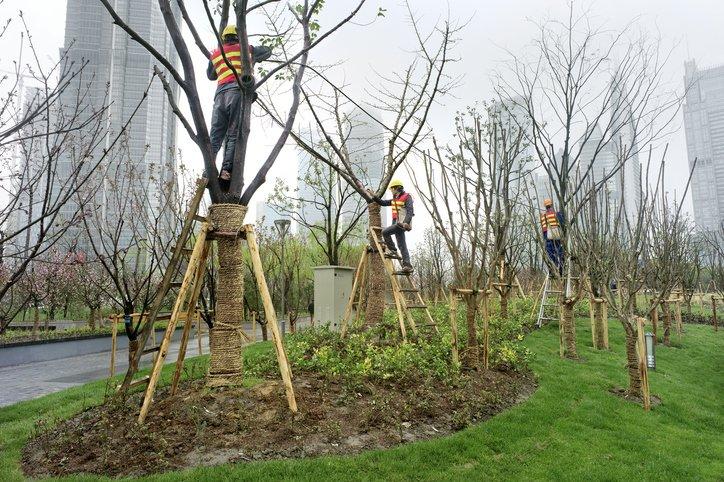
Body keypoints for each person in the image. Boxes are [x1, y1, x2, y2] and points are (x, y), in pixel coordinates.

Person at [207, 25, 272, 184]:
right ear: (239, 37)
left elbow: (211, 75)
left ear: (224, 38)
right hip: (236, 92)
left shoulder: (215, 54)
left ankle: (208, 170)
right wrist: (250, 50)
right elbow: (268, 50)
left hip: (220, 96)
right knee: (233, 133)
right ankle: (226, 172)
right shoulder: (245, 49)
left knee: (215, 137)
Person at [372, 179, 415, 273]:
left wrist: (406, 223)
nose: (391, 191)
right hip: (395, 223)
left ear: (396, 188)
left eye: (392, 189)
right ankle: (408, 265)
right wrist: (374, 196)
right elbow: (383, 203)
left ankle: (393, 250)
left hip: (401, 224)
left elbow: (410, 211)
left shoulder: (407, 197)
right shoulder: (395, 200)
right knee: (402, 245)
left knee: (385, 232)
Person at [540, 198, 564, 275]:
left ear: (545, 206)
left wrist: (545, 239)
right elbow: (562, 224)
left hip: (548, 238)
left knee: (550, 254)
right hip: (557, 237)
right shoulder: (557, 214)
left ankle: (552, 270)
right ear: (551, 205)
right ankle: (561, 269)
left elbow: (543, 229)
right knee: (559, 252)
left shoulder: (543, 216)